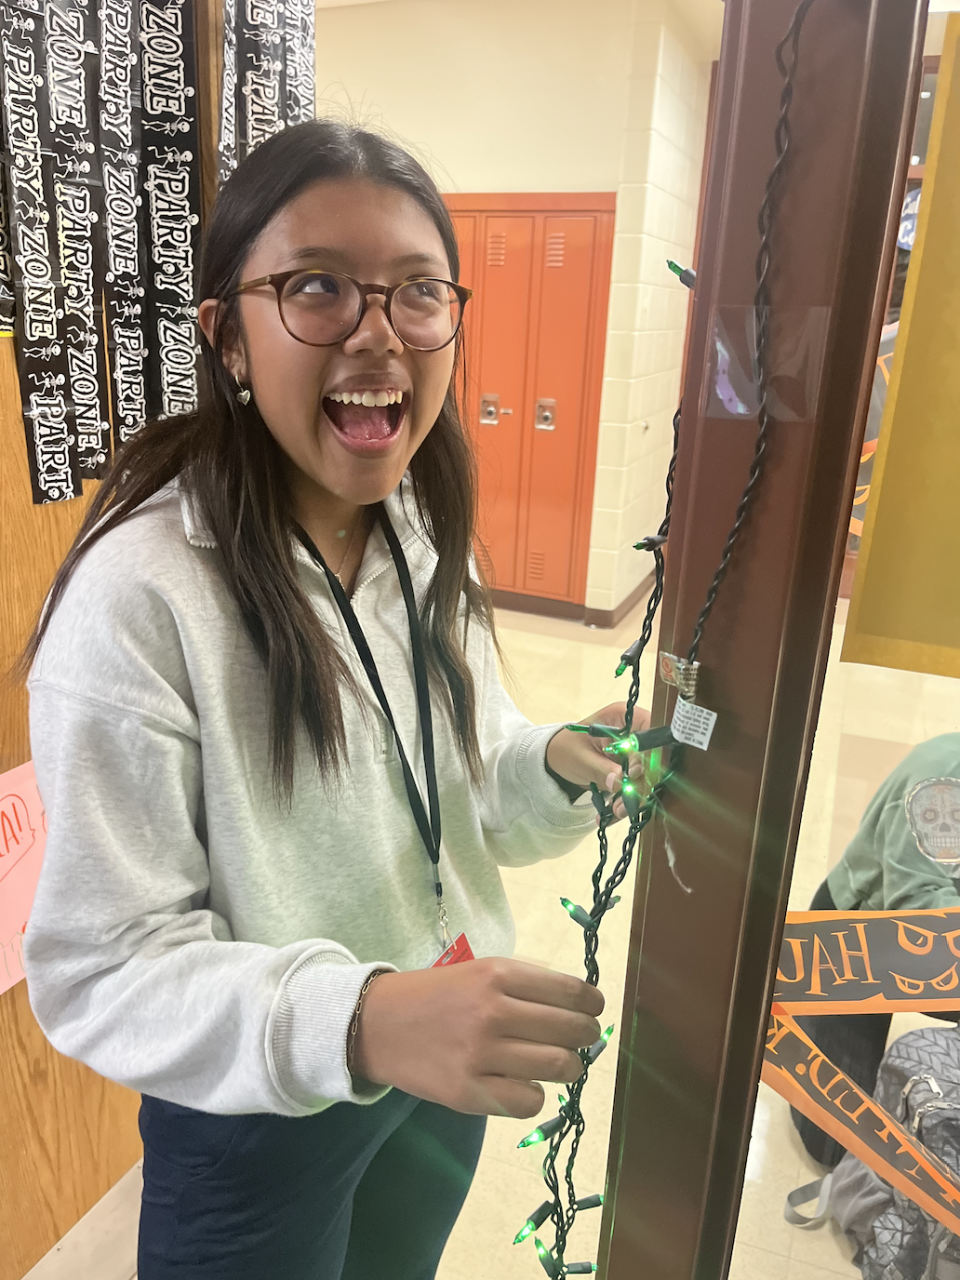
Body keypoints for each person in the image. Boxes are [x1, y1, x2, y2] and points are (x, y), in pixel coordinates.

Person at [19, 119, 644, 1280]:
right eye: (317, 287)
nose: (379, 332)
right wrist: (361, 1019)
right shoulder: (138, 598)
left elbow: (466, 780)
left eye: (418, 292)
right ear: (229, 336)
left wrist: (555, 761)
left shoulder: (415, 534)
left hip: (433, 1061)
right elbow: (103, 966)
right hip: (259, 1114)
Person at [793, 733, 960, 1167]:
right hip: (858, 934)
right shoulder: (944, 781)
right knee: (832, 1141)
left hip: (922, 935)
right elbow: (918, 907)